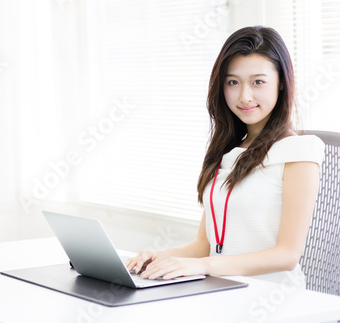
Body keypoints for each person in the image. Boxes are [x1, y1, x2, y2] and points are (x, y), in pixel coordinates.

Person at [125, 26, 325, 287]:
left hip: (273, 298)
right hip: (221, 289)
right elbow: (205, 244)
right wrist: (161, 257)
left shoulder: (300, 152)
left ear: (282, 84)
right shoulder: (228, 152)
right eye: (233, 82)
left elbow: (286, 255)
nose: (245, 96)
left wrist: (203, 265)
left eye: (258, 82)